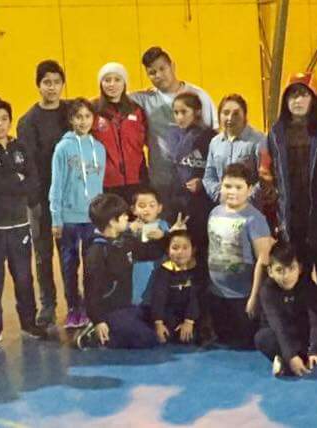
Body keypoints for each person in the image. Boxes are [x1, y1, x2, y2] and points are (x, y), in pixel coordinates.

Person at [0, 96, 46, 348]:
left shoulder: (20, 149)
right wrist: (15, 180)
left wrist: (3, 181)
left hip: (20, 225)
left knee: (24, 278)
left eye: (4, 119)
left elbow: (32, 182)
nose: (0, 124)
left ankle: (29, 322)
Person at [266, 72, 317, 319]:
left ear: (315, 98)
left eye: (303, 95)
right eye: (292, 96)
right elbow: (271, 175)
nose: (297, 101)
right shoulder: (276, 133)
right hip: (291, 218)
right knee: (298, 273)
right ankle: (304, 322)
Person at [130, 46, 217, 220]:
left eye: (162, 69)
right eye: (152, 72)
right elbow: (112, 96)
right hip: (162, 185)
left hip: (194, 186)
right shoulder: (144, 99)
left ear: (173, 66)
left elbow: (214, 140)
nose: (158, 75)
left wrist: (206, 179)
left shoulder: (199, 96)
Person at [75, 193, 170, 350]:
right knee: (148, 339)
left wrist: (165, 236)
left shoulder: (125, 242)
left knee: (162, 327)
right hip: (109, 311)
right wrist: (98, 320)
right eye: (123, 215)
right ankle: (96, 335)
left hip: (127, 306)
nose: (128, 217)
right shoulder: (97, 252)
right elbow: (91, 290)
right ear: (112, 221)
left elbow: (151, 253)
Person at [17, 60, 69, 328]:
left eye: (56, 82)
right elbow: (27, 164)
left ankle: (76, 302)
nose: (52, 87)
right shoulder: (28, 121)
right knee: (43, 253)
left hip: (70, 196)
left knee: (70, 252)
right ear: (38, 85)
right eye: (46, 82)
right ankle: (48, 303)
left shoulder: (71, 112)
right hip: (41, 198)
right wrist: (35, 199)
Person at [49, 98, 106, 329]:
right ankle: (73, 308)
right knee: (69, 265)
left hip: (92, 219)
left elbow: (99, 186)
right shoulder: (63, 148)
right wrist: (56, 218)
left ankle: (91, 308)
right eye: (78, 117)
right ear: (71, 120)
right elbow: (56, 185)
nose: (83, 121)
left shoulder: (99, 148)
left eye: (87, 116)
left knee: (92, 266)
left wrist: (101, 217)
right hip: (69, 219)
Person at [254, 241, 317, 377]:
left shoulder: (307, 284)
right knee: (262, 338)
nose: (286, 276)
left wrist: (314, 349)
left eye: (291, 268)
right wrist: (291, 356)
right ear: (270, 272)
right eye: (279, 270)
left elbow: (315, 320)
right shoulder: (267, 291)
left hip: (305, 332)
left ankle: (292, 362)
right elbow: (278, 326)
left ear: (299, 268)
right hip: (283, 335)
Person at [207, 163, 273, 349]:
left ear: (249, 190)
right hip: (216, 295)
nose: (232, 192)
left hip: (242, 297)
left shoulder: (255, 218)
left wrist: (254, 297)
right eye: (228, 186)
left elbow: (263, 260)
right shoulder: (214, 212)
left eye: (238, 187)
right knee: (222, 343)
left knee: (243, 345)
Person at [165, 92, 217, 261]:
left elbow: (217, 171)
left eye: (184, 112)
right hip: (180, 203)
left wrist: (203, 183)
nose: (179, 117)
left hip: (202, 204)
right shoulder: (173, 135)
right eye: (176, 112)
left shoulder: (210, 137)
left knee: (201, 248)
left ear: (197, 111)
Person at [92, 62, 148, 204]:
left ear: (124, 83)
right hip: (106, 183)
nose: (112, 84)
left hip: (137, 180)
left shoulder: (137, 110)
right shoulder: (93, 110)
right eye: (107, 80)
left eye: (117, 79)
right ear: (101, 84)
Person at [202, 94, 269, 204]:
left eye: (236, 114)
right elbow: (209, 176)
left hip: (250, 207)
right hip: (223, 207)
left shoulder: (258, 140)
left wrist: (245, 198)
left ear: (245, 116)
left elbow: (264, 177)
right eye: (225, 113)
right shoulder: (215, 142)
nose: (230, 118)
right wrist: (220, 195)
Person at [149, 230, 205, 345]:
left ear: (193, 250)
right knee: (163, 336)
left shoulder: (197, 271)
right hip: (170, 315)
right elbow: (159, 297)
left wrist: (189, 321)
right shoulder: (164, 271)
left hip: (192, 316)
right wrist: (159, 323)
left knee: (193, 337)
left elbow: (196, 298)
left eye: (185, 248)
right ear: (168, 250)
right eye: (175, 248)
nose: (180, 252)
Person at [127, 186, 169, 304]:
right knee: (139, 301)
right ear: (133, 209)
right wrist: (130, 231)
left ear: (159, 208)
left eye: (152, 205)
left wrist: (164, 236)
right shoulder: (130, 227)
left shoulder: (163, 225)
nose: (147, 209)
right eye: (142, 206)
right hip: (138, 270)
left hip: (159, 269)